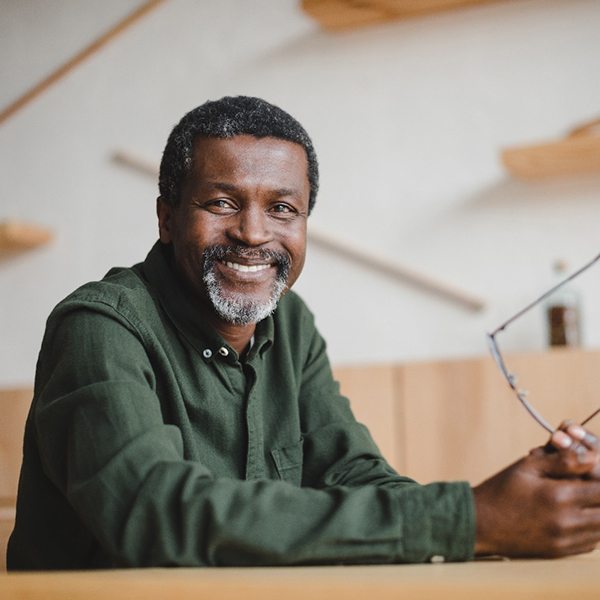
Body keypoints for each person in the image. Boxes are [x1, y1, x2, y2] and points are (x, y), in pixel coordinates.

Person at [7, 96, 600, 570]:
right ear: (166, 218)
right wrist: (469, 519)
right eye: (221, 202)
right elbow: (156, 514)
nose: (253, 233)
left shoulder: (289, 322)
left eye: (283, 209)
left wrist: (524, 497)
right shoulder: (98, 327)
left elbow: (353, 473)